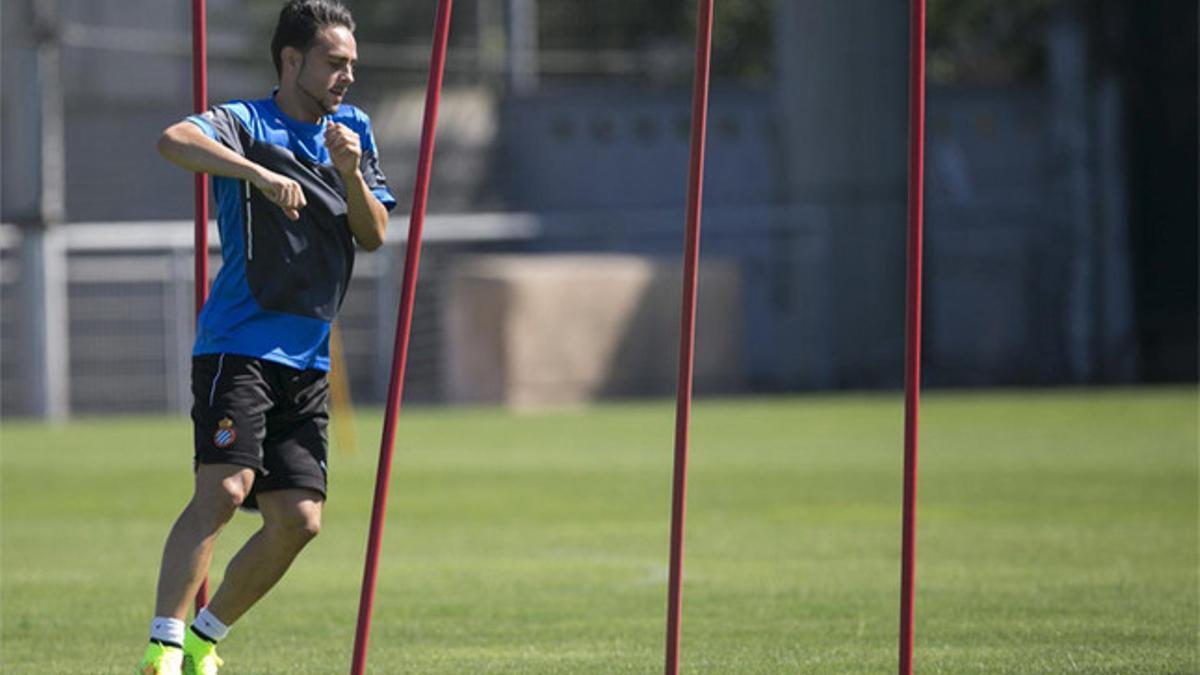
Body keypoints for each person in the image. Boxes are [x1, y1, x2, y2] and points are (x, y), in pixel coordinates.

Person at [139, 1, 395, 673]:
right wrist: (254, 172)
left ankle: (201, 641)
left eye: (352, 65)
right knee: (223, 489)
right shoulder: (246, 122)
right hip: (239, 344)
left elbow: (373, 234)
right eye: (334, 63)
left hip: (308, 356)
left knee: (299, 520)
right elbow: (172, 141)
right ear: (292, 60)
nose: (346, 77)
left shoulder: (354, 130)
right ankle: (162, 648)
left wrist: (348, 170)